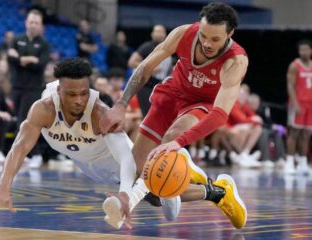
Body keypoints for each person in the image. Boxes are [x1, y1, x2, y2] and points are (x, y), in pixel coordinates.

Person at [0, 58, 184, 229]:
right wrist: (3, 187)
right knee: (147, 191)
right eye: (71, 94)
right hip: (86, 164)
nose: (79, 100)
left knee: (154, 189)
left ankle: (180, 189)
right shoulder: (43, 109)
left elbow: (126, 158)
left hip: (116, 160)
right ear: (59, 90)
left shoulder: (100, 113)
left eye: (83, 93)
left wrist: (125, 195)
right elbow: (19, 148)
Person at [100, 2, 248, 229]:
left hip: (203, 103)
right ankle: (217, 192)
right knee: (143, 171)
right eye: (204, 36)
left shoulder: (235, 61)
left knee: (171, 139)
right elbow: (145, 67)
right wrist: (121, 103)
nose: (207, 43)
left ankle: (130, 204)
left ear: (230, 34)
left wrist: (179, 142)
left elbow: (220, 114)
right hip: (172, 92)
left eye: (215, 39)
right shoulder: (184, 34)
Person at [7, 9, 50, 168]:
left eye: (36, 23)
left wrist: (20, 59)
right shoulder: (17, 39)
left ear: (40, 26)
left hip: (33, 88)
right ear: (26, 23)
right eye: (31, 22)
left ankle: (35, 154)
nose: (33, 25)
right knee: (20, 121)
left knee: (24, 122)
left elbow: (41, 65)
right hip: (16, 86)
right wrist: (27, 59)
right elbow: (10, 59)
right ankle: (26, 154)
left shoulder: (44, 44)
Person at [285, 40, 312, 175]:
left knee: (306, 134)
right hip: (298, 103)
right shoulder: (294, 66)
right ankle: (289, 163)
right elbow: (290, 85)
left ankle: (303, 164)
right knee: (294, 133)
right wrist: (295, 104)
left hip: (310, 104)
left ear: (311, 51)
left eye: (306, 50)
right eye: (301, 50)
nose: (304, 52)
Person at [128, 24, 172, 117]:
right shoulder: (147, 47)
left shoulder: (169, 48)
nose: (159, 34)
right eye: (157, 31)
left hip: (160, 87)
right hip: (146, 86)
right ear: (152, 34)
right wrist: (148, 67)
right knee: (148, 115)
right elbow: (131, 62)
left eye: (161, 32)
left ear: (165, 34)